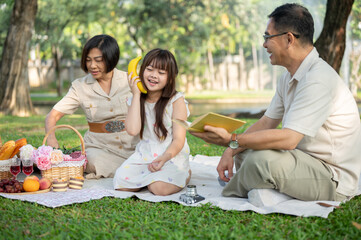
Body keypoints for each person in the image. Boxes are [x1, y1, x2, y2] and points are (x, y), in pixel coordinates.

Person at [191, 3, 361, 202]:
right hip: (302, 161)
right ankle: (267, 187)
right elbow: (266, 123)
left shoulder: (318, 78)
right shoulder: (289, 77)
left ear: (288, 39)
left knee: (259, 160)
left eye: (267, 37)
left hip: (332, 177)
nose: (264, 44)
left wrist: (231, 139)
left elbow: (289, 140)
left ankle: (229, 194)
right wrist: (231, 149)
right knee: (244, 151)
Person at [45, 34, 139, 179]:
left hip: (134, 145)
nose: (92, 65)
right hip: (100, 148)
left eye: (98, 60)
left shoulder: (130, 80)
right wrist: (51, 139)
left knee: (148, 155)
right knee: (93, 161)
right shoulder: (79, 86)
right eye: (88, 60)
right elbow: (52, 115)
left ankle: (130, 170)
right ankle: (135, 172)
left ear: (111, 58)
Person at [113, 48, 191, 196]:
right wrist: (136, 94)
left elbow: (179, 140)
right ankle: (153, 179)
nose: (154, 76)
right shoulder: (135, 99)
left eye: (161, 73)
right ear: (142, 71)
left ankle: (186, 174)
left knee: (158, 189)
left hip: (171, 154)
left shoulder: (176, 100)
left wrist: (164, 157)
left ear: (169, 78)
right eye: (149, 69)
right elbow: (133, 130)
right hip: (145, 154)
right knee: (120, 182)